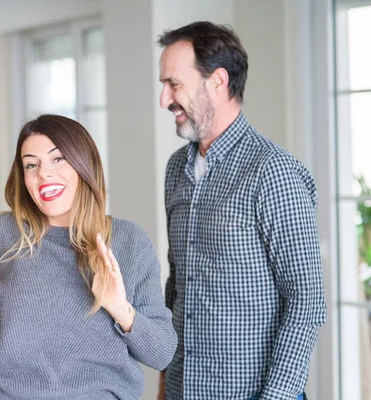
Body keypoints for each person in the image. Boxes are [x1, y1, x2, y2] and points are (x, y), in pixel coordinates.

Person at [0, 114, 177, 400]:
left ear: (83, 164)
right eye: (31, 164)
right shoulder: (2, 235)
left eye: (58, 159)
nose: (44, 173)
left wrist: (120, 309)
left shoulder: (129, 242)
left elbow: (162, 353)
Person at [156, 21, 326, 400]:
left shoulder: (273, 172)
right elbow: (177, 286)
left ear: (217, 81)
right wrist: (167, 384)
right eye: (163, 86)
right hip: (184, 389)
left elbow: (307, 298)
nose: (165, 100)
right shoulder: (175, 170)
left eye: (174, 84)